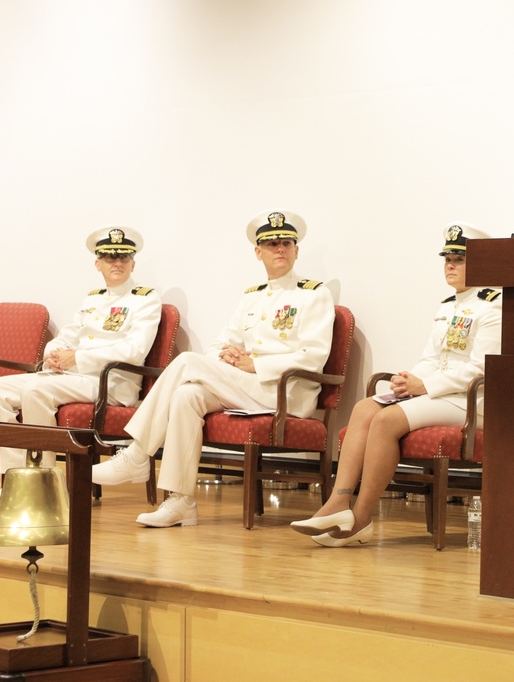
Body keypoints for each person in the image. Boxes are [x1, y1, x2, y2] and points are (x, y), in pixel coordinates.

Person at [92, 210, 335, 527]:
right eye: (272, 243)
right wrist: (230, 357)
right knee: (187, 394)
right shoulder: (251, 298)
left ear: (296, 250)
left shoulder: (314, 294)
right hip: (249, 389)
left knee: (188, 362)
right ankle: (181, 501)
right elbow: (217, 346)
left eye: (286, 243)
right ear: (258, 252)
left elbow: (312, 357)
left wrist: (255, 363)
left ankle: (138, 453)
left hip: (285, 393)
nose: (280, 249)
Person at [290, 222, 502, 547]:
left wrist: (425, 385)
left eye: (459, 259)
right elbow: (432, 358)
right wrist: (408, 380)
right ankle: (337, 502)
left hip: (471, 400)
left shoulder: (495, 304)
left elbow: (480, 368)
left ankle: (360, 518)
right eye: (447, 258)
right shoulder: (449, 306)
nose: (450, 265)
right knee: (364, 409)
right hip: (440, 394)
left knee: (387, 420)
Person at [0, 226, 162, 472]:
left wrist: (76, 358)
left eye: (124, 257)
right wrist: (53, 354)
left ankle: (43, 481)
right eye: (109, 257)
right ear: (98, 264)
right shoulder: (94, 297)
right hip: (73, 377)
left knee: (36, 388)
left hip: (111, 382)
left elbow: (134, 351)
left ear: (133, 264)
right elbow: (69, 334)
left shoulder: (145, 298)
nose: (117, 262)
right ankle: (13, 478)